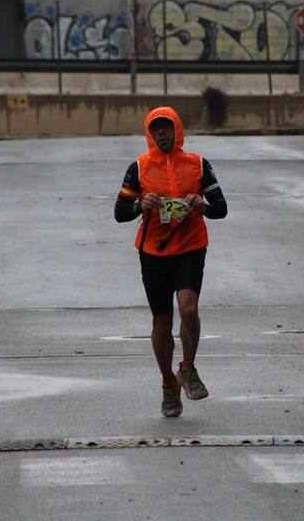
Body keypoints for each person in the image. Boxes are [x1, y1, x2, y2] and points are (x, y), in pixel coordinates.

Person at [115, 106, 228, 417]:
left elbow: (221, 208)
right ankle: (168, 383)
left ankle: (188, 368)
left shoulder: (198, 165)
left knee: (188, 308)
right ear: (149, 134)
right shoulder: (138, 168)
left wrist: (201, 206)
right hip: (154, 253)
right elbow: (119, 212)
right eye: (156, 129)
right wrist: (140, 205)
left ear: (178, 130)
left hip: (191, 247)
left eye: (167, 128)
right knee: (162, 323)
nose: (162, 133)